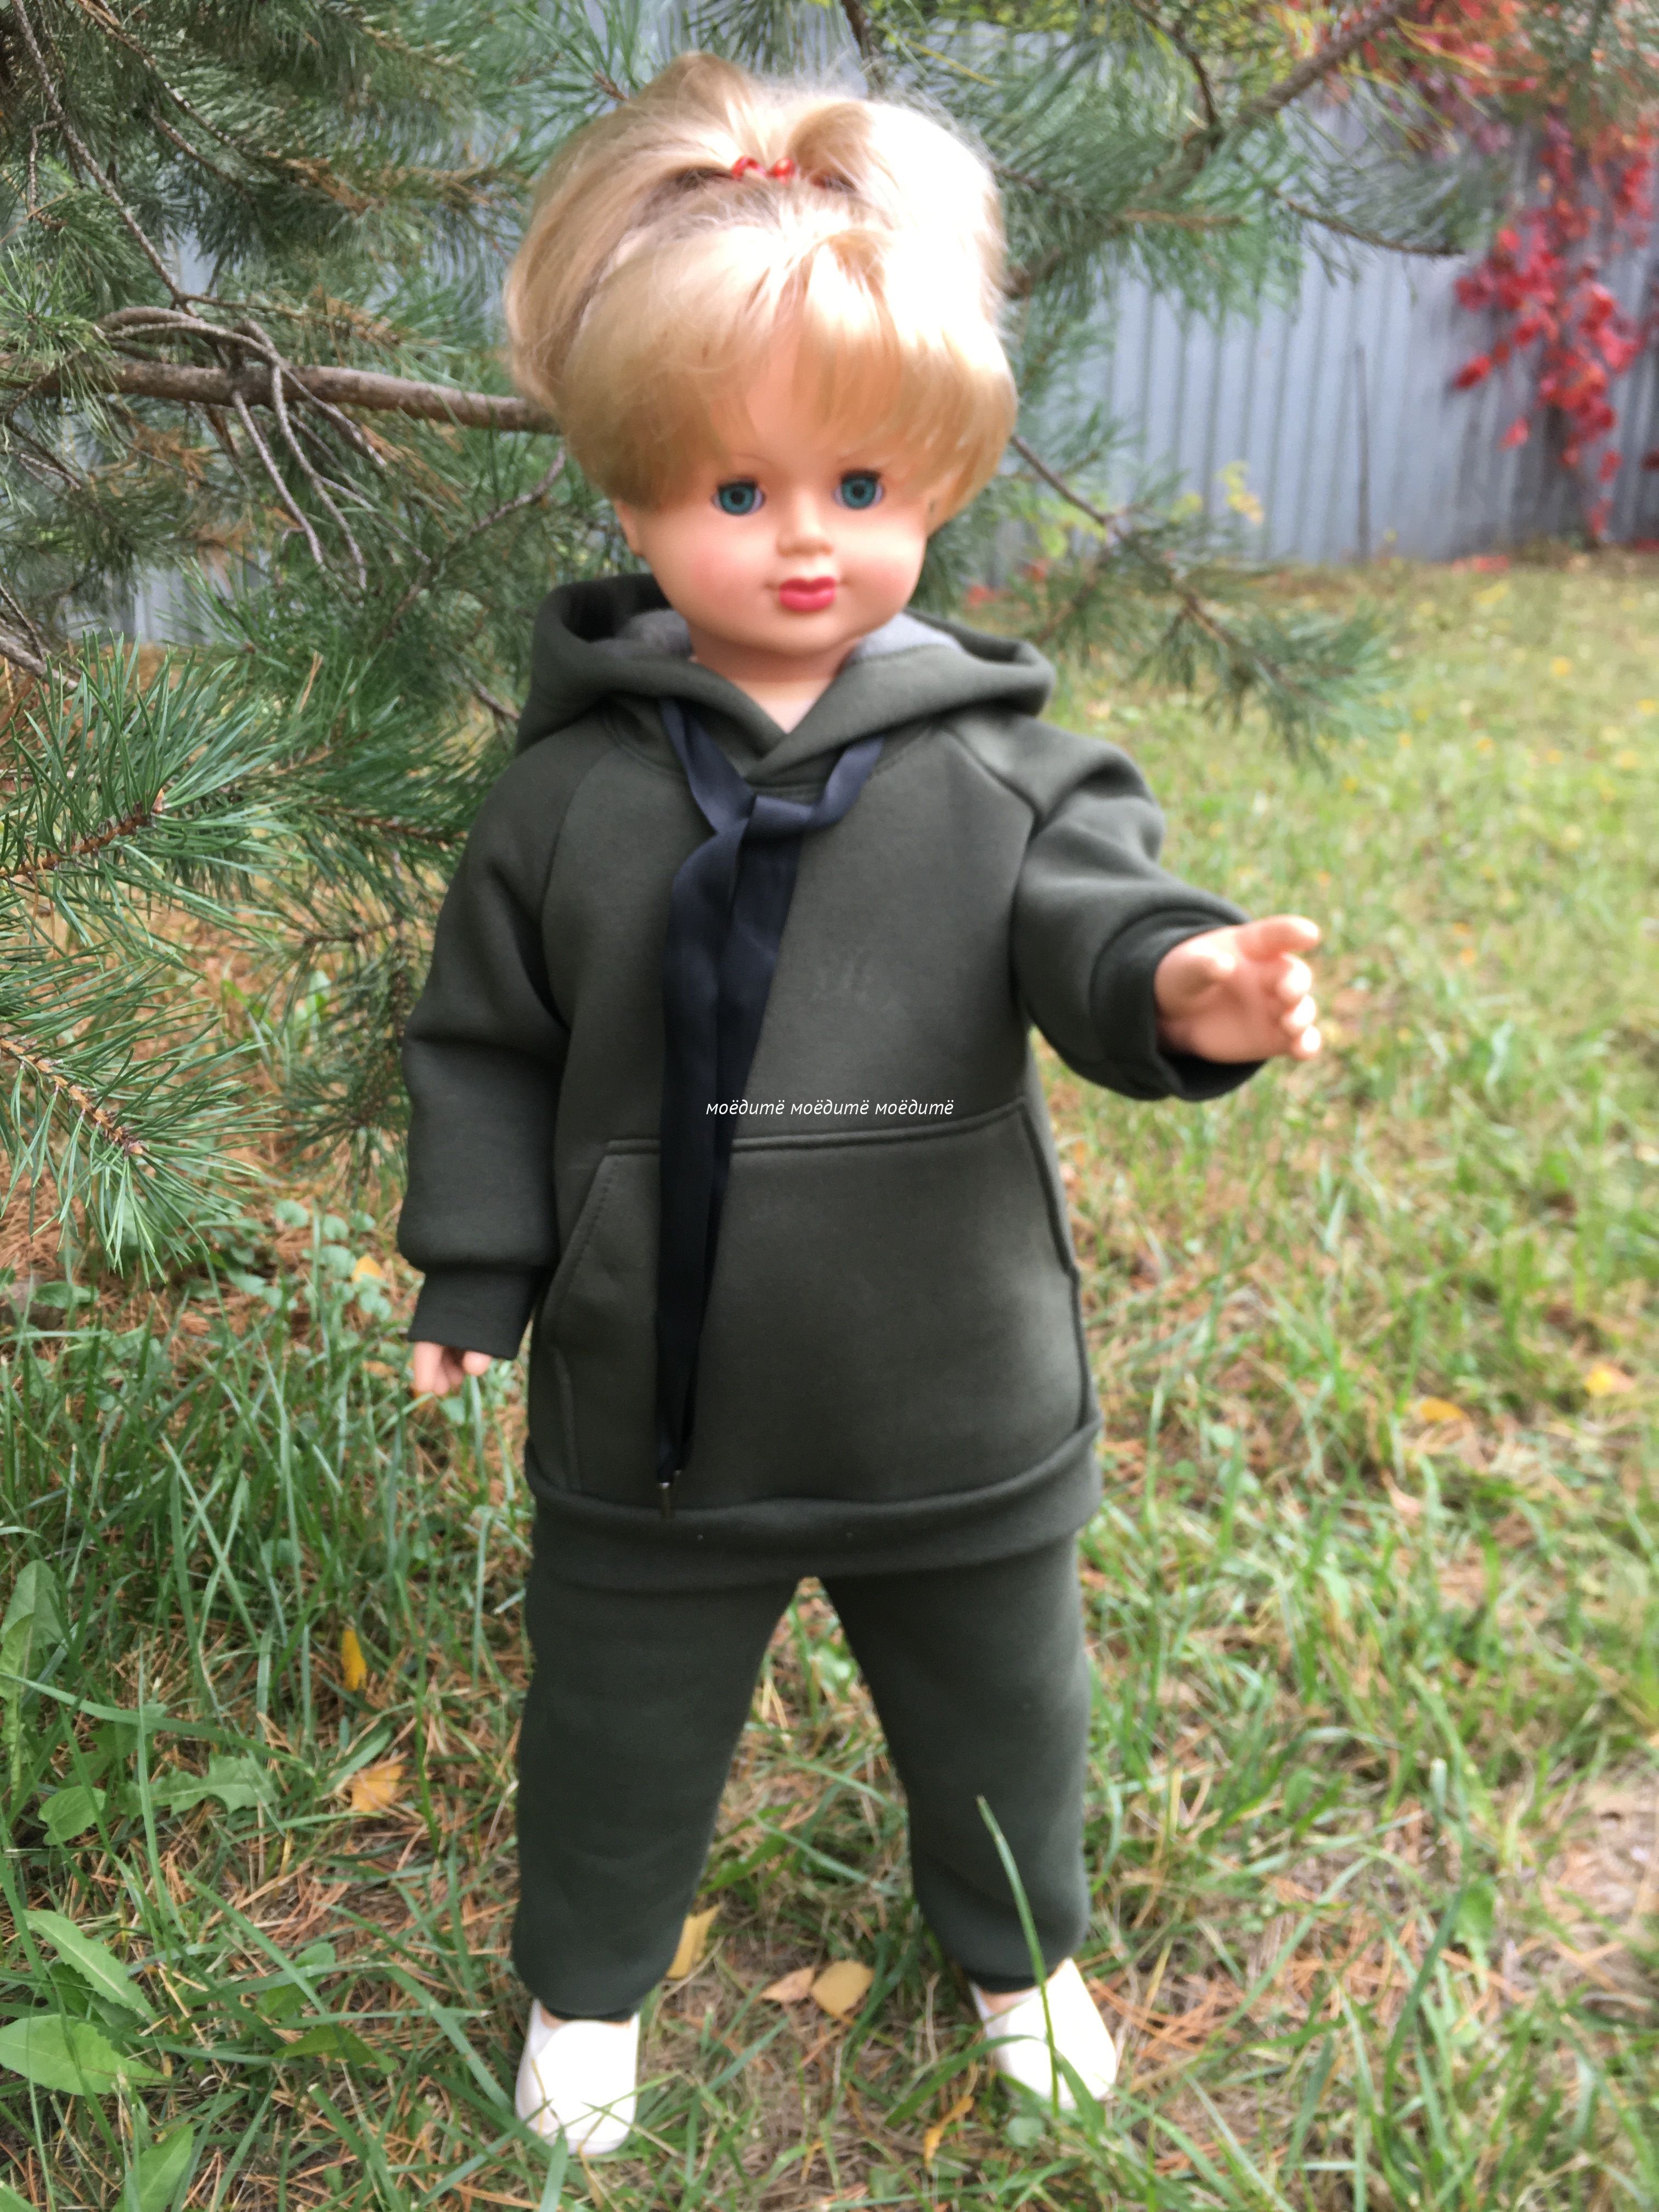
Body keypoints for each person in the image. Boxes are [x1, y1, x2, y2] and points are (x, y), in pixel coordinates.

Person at [397, 51, 1322, 2158]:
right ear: (634, 497)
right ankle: (590, 1990)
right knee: (616, 1723)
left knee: (1002, 1709)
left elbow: (1099, 922)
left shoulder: (1003, 766)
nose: (803, 538)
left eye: (861, 485)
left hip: (952, 1384)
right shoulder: (566, 799)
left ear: (940, 477)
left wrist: (1189, 983)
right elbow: (488, 1038)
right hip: (658, 1404)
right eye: (736, 493)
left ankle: (1021, 1954)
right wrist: (476, 1264)